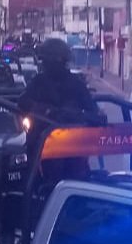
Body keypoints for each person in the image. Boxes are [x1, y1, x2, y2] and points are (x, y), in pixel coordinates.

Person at [17, 36, 105, 185]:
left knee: (77, 181)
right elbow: (22, 102)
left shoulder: (76, 84)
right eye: (43, 61)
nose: (44, 64)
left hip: (73, 145)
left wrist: (75, 116)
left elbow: (92, 111)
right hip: (45, 144)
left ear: (58, 61)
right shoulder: (39, 82)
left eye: (46, 60)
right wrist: (44, 110)